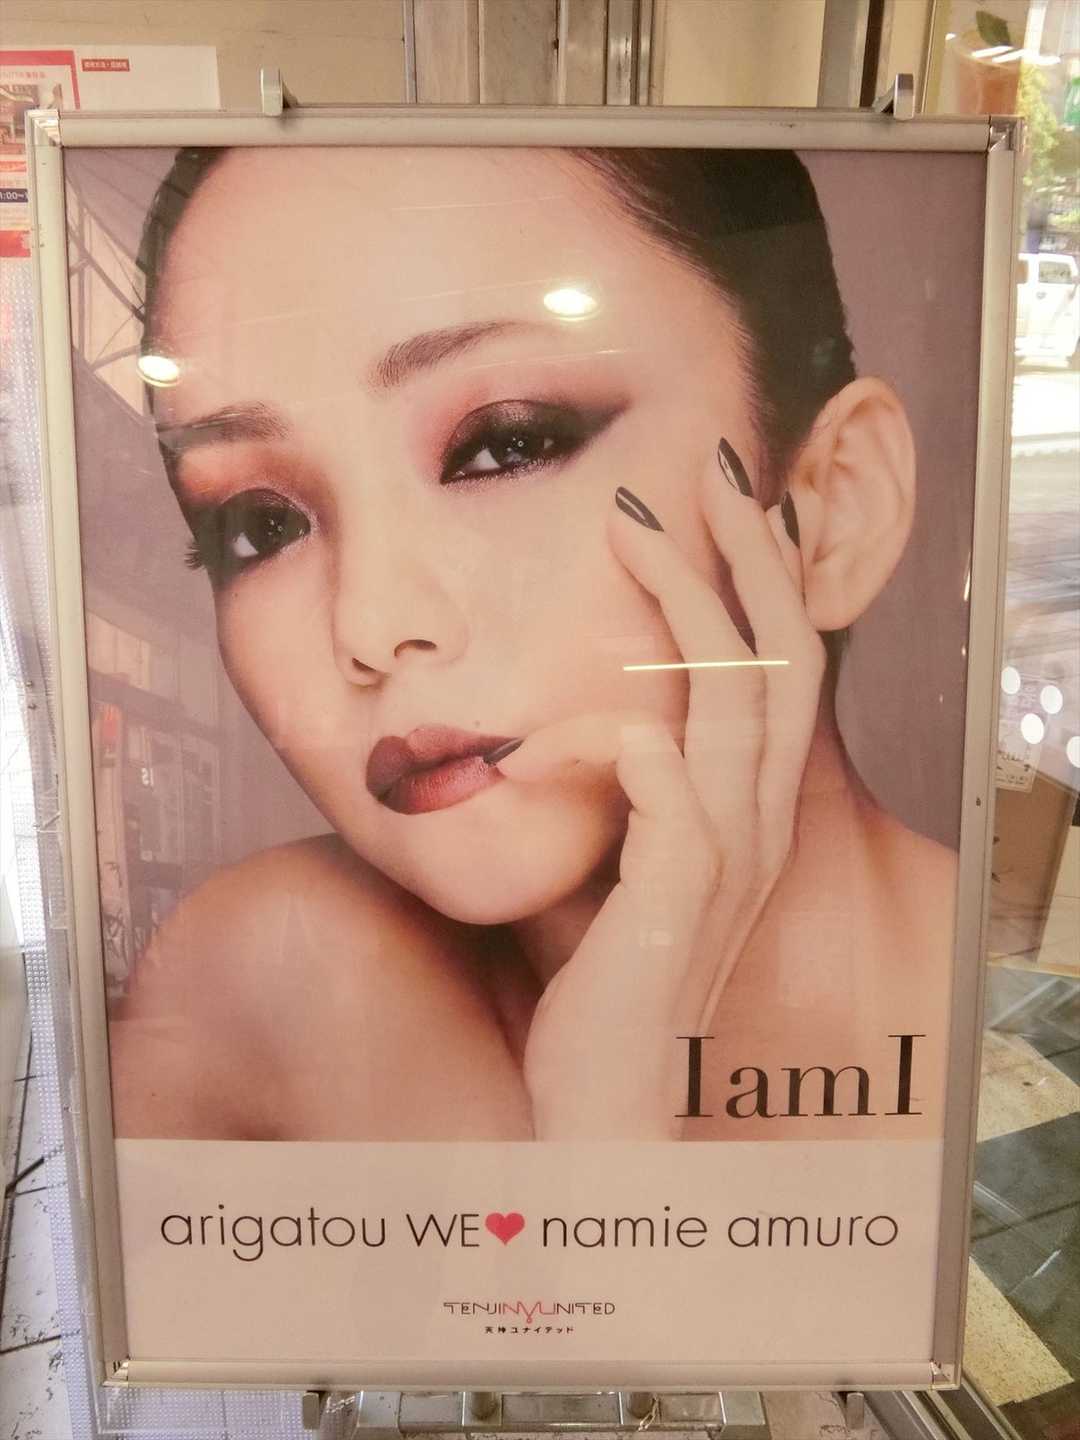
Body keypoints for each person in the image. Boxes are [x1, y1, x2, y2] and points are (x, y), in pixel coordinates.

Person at [107, 144, 955, 1142]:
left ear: (835, 507)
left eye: (507, 444)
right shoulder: (264, 988)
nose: (368, 626)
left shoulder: (1020, 1043)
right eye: (261, 525)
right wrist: (602, 1132)